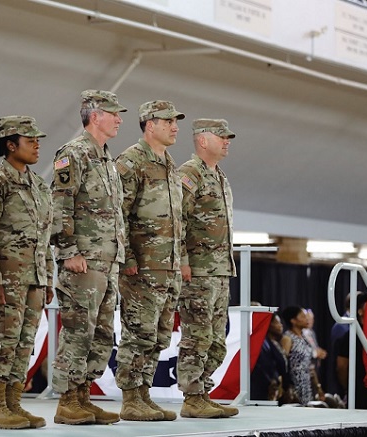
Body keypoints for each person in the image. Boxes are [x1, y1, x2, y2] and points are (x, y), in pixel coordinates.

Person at [50, 90, 127, 425]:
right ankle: (68, 399)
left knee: (102, 333)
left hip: (107, 261)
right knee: (79, 330)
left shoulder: (107, 158)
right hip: (83, 261)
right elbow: (61, 204)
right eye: (114, 113)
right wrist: (69, 252)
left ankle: (83, 394)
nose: (120, 119)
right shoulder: (74, 153)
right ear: (95, 115)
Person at [0, 116, 53, 429]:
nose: (37, 145)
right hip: (3, 278)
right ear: (10, 144)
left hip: (32, 278)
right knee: (2, 340)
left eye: (37, 140)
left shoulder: (39, 184)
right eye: (30, 140)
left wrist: (46, 278)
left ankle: (13, 404)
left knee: (24, 342)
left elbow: (43, 236)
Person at [114, 100, 184, 422]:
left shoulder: (169, 163)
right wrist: (126, 257)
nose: (175, 127)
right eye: (169, 120)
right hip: (141, 265)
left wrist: (179, 260)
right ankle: (130, 397)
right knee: (138, 332)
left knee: (159, 335)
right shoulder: (132, 161)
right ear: (149, 124)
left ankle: (144, 394)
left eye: (176, 121)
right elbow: (119, 213)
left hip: (167, 267)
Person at [176, 118, 239, 418]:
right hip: (198, 272)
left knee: (216, 339)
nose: (227, 141)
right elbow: (177, 220)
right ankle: (191, 397)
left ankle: (203, 391)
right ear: (203, 140)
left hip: (219, 271)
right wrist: (183, 261)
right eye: (221, 136)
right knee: (196, 336)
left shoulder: (220, 176)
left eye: (228, 137)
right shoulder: (190, 174)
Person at [250, 313, 289, 403]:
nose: (280, 325)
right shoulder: (252, 341)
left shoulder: (270, 341)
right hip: (258, 389)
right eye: (277, 323)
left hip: (272, 389)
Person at [282, 306, 315, 405]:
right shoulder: (287, 338)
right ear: (293, 320)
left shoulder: (304, 337)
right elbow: (283, 364)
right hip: (294, 385)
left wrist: (317, 386)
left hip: (306, 384)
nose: (307, 319)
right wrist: (287, 387)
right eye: (302, 316)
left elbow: (309, 364)